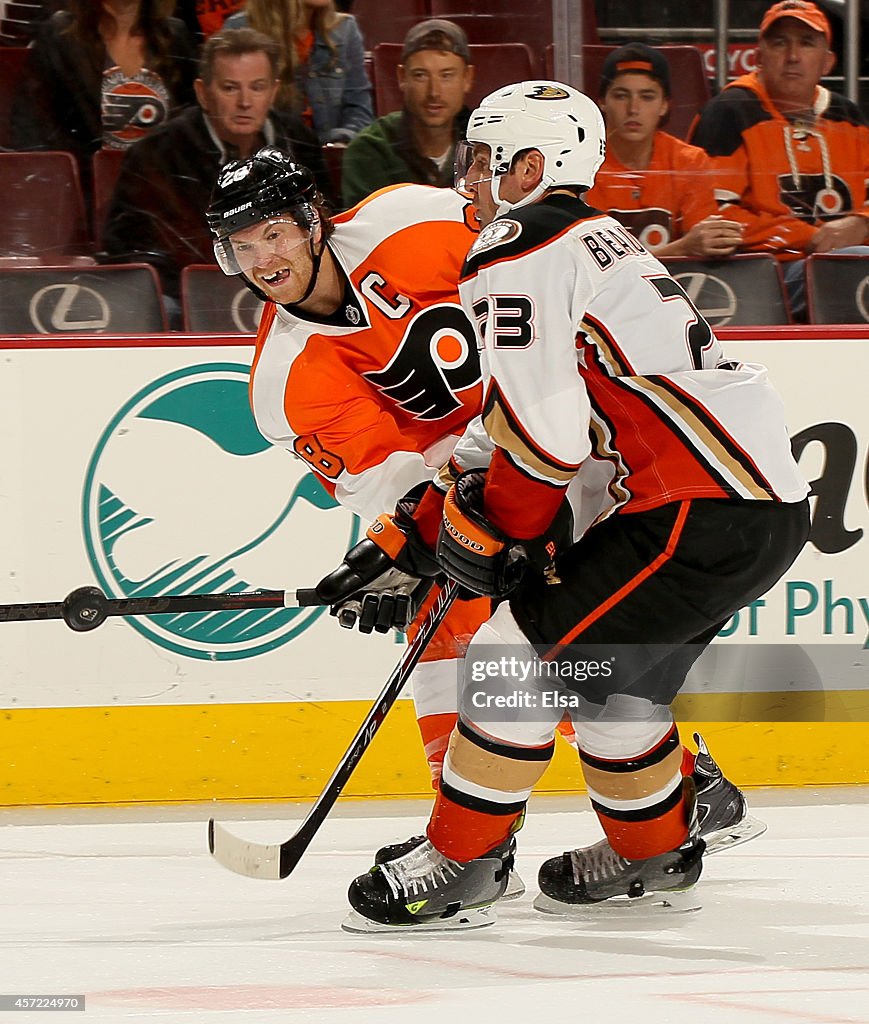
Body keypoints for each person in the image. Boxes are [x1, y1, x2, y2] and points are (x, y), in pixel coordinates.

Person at [206, 145, 766, 908]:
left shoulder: (412, 219)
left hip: (589, 439)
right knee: (454, 619)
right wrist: (412, 552)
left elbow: (529, 263)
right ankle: (480, 827)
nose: (262, 258)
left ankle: (647, 797)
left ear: (311, 221)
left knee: (546, 641)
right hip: (502, 476)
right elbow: (400, 485)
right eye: (242, 246)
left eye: (272, 232)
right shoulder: (284, 384)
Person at [340, 80, 811, 931]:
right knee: (610, 689)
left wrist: (497, 534)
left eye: (483, 160)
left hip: (693, 507)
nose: (469, 179)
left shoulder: (512, 246)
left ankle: (462, 861)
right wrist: (407, 537)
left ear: (529, 167)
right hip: (740, 508)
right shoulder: (593, 240)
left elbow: (545, 438)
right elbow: (526, 429)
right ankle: (652, 855)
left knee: (509, 661)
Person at [100, 27, 331, 320]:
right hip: (188, 299)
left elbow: (325, 223)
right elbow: (128, 249)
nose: (245, 102)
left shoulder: (299, 143)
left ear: (273, 91)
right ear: (203, 92)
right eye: (230, 88)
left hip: (287, 285)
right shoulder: (156, 154)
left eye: (257, 87)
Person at [689, 0, 869, 318]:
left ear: (827, 62)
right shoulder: (730, 111)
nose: (793, 57)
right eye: (780, 43)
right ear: (759, 57)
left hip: (847, 264)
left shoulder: (847, 116)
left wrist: (861, 221)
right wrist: (811, 237)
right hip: (763, 271)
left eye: (806, 43)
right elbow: (714, 218)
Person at [11, 0, 197, 211]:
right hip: (85, 196)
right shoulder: (61, 36)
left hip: (162, 195)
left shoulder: (174, 35)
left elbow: (195, 120)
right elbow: (30, 125)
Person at [585, 43, 744, 259]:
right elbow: (590, 264)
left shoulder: (690, 162)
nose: (633, 109)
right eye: (621, 96)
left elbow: (704, 249)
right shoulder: (583, 163)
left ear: (664, 106)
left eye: (647, 96)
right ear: (602, 103)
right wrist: (680, 249)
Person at [340, 18, 474, 209]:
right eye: (420, 75)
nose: (434, 92)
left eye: (446, 75)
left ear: (467, 78)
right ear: (402, 77)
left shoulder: (487, 145)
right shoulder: (370, 150)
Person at [224, 0, 373, 144]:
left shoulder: (344, 29)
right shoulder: (240, 30)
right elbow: (233, 112)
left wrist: (342, 140)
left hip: (330, 157)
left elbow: (359, 107)